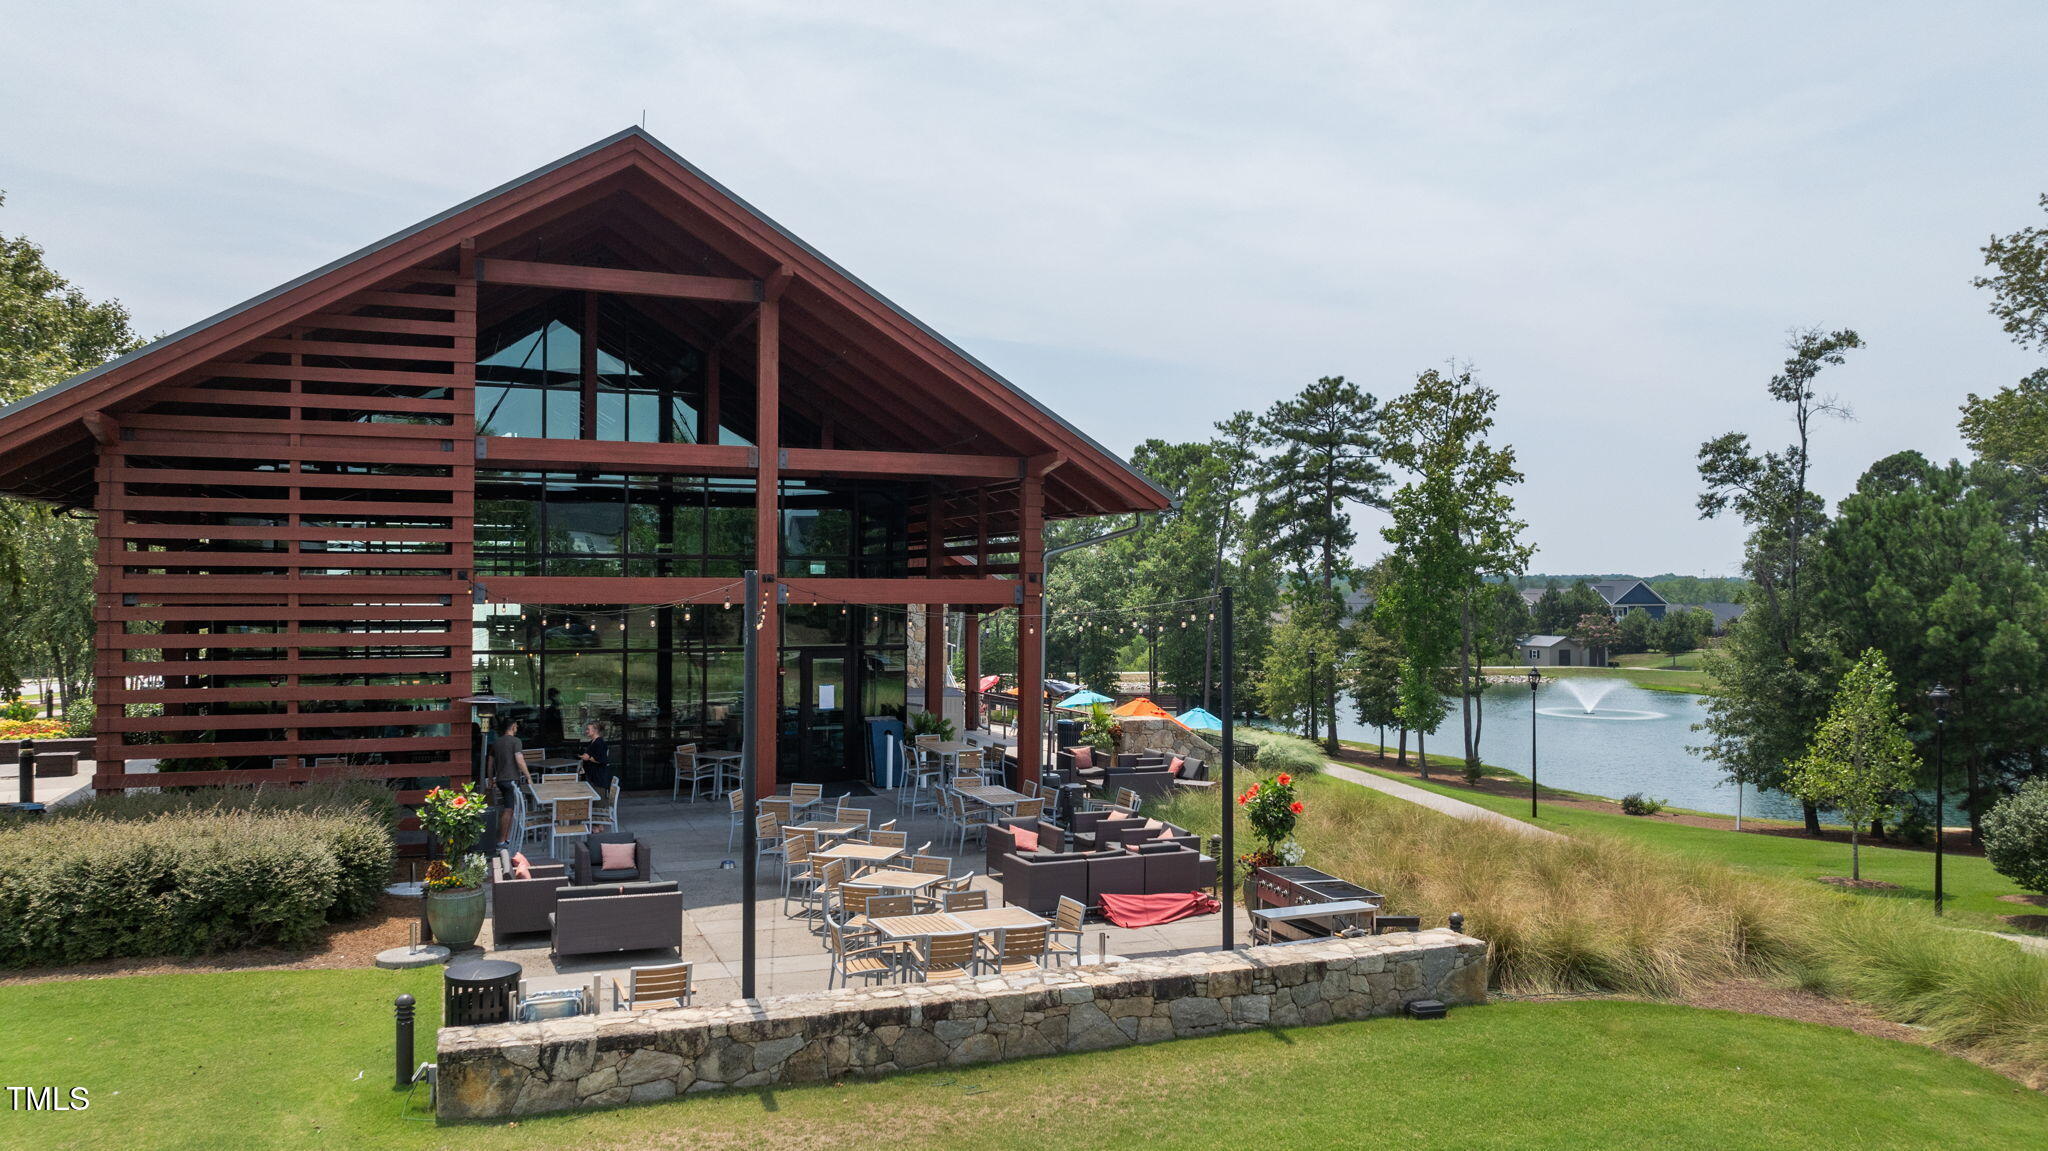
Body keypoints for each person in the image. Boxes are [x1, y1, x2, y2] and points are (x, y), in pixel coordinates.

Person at [490, 716, 529, 851]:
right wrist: (528, 776)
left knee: (509, 808)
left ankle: (507, 838)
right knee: (509, 809)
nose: (517, 728)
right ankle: (502, 840)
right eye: (516, 726)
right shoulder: (515, 741)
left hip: (500, 779)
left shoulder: (496, 742)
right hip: (511, 779)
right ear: (513, 727)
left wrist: (490, 778)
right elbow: (519, 760)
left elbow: (490, 762)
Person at [578, 721, 612, 792]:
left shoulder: (600, 743)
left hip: (598, 779)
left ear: (595, 730)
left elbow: (602, 760)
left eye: (588, 729)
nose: (586, 731)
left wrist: (588, 758)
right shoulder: (592, 742)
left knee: (598, 800)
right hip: (592, 777)